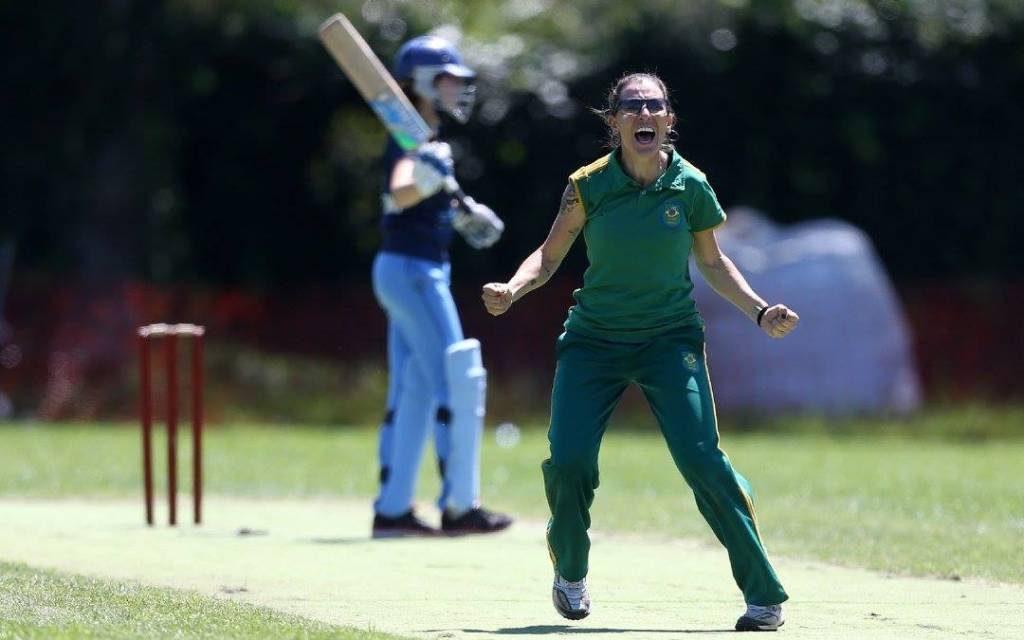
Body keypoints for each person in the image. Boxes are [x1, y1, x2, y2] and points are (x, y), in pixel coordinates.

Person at [481, 72, 798, 631]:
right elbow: (549, 256)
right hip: (593, 343)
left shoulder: (691, 185)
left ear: (669, 119)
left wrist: (759, 310)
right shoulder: (588, 184)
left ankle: (762, 594)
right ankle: (571, 573)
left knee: (703, 461)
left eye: (655, 106)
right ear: (614, 122)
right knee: (571, 461)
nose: (644, 114)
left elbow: (714, 262)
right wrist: (513, 287)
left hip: (669, 340)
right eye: (632, 106)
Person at [370, 35, 513, 538]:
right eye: (450, 78)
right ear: (425, 82)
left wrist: (461, 213)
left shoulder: (426, 136)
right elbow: (399, 192)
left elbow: (422, 194)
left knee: (414, 388)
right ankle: (459, 506)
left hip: (407, 267)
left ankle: (391, 510)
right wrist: (426, 185)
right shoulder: (409, 138)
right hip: (412, 271)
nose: (458, 89)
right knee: (459, 377)